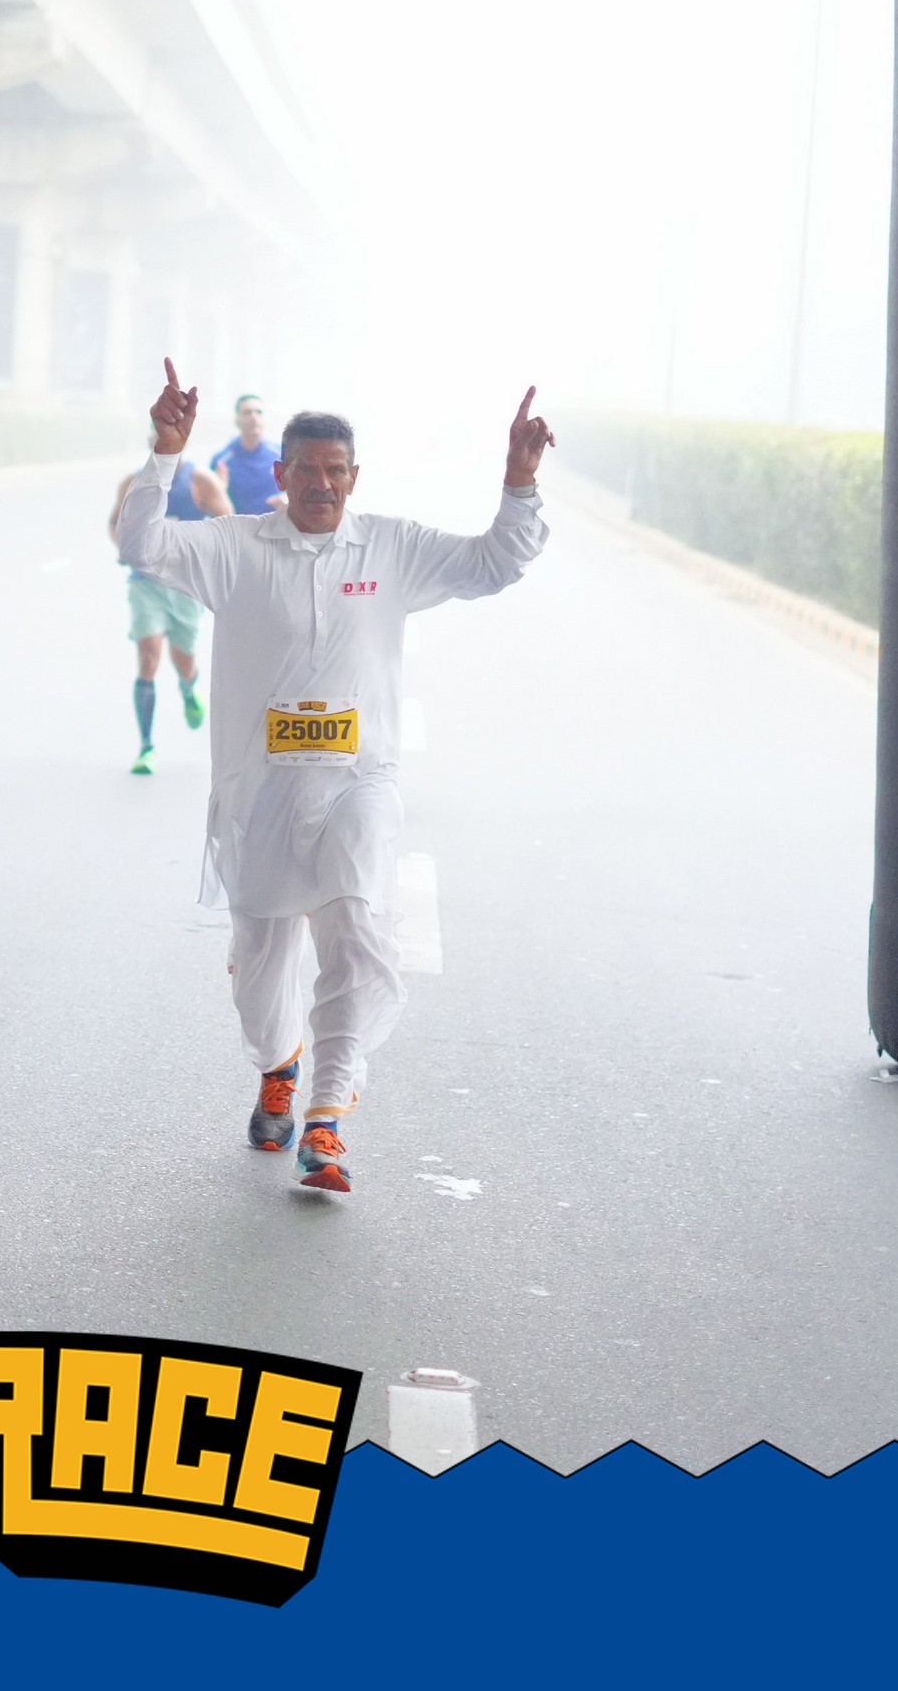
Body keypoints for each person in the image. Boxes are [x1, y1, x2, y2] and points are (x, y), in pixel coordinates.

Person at [115, 361, 553, 1197]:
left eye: (337, 471)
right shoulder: (236, 547)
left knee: (355, 928)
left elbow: (495, 562)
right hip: (259, 793)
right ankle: (278, 1063)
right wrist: (165, 453)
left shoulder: (391, 547)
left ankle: (325, 1114)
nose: (323, 484)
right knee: (262, 967)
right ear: (281, 476)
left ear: (356, 477)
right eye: (308, 470)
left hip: (359, 783)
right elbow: (141, 545)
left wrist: (520, 482)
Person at [112, 450, 226, 775]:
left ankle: (189, 690)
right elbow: (114, 525)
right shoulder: (134, 482)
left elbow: (227, 526)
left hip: (184, 585)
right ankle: (146, 747)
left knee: (183, 661)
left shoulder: (200, 480)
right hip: (145, 584)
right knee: (149, 657)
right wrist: (124, 546)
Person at [209, 395, 284, 517]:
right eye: (247, 413)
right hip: (238, 526)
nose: (254, 417)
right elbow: (211, 504)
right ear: (237, 421)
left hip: (276, 524)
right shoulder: (221, 461)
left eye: (258, 412)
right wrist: (220, 490)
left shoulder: (282, 454)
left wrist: (288, 500)